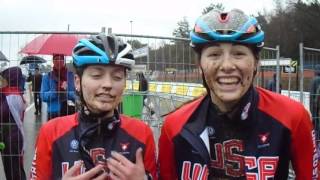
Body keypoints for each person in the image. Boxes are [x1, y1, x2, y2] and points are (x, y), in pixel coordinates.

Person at [158, 9, 318, 179]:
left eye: (239, 53)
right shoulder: (174, 126)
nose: (227, 66)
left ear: (256, 63)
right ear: (200, 64)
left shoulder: (293, 116)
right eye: (214, 54)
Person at [30, 34, 157, 180]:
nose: (108, 84)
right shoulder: (51, 133)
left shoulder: (142, 133)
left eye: (117, 77)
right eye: (97, 75)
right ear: (77, 82)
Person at [0, 66, 26, 180]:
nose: (2, 82)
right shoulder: (11, 93)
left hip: (12, 137)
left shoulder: (12, 96)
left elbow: (2, 113)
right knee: (12, 168)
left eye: (3, 79)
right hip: (9, 136)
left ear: (11, 79)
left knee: (13, 170)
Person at [41, 54, 76, 120]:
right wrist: (55, 91)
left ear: (64, 61)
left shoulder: (71, 76)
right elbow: (43, 96)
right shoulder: (47, 77)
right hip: (53, 113)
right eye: (56, 59)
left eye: (61, 59)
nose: (58, 61)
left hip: (69, 111)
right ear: (53, 61)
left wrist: (66, 92)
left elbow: (77, 94)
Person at [310, 64, 320, 135]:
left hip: (315, 105)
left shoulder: (314, 80)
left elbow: (312, 95)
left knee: (316, 122)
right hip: (317, 104)